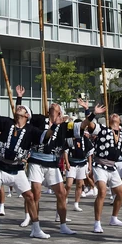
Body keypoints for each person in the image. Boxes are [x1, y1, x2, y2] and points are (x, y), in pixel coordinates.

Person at [0, 88, 50, 240]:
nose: (19, 107)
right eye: (19, 107)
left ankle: (36, 229)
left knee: (30, 197)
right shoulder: (6, 122)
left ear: (27, 116)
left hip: (17, 169)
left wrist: (56, 125)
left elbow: (46, 136)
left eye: (22, 108)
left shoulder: (32, 130)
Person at [21, 91, 96, 236]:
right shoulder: (38, 119)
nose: (53, 105)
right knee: (35, 193)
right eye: (52, 106)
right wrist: (20, 99)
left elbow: (83, 126)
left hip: (52, 162)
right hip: (36, 159)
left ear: (60, 113)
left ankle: (63, 225)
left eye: (56, 106)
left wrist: (91, 112)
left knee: (62, 193)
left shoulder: (64, 126)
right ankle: (34, 226)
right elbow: (23, 115)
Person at [79, 99, 122, 233]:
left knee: (121, 193)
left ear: (120, 122)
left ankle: (114, 218)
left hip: (112, 167)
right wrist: (89, 111)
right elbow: (89, 124)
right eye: (112, 115)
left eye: (117, 116)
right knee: (102, 191)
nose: (114, 116)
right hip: (99, 165)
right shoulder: (102, 130)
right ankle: (97, 223)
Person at [64, 131, 94, 212]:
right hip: (72, 163)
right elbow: (66, 151)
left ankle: (76, 203)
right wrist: (66, 162)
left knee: (80, 185)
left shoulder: (85, 139)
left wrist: (90, 165)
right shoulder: (70, 139)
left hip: (82, 163)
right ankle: (64, 199)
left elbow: (89, 153)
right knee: (69, 184)